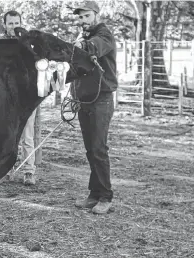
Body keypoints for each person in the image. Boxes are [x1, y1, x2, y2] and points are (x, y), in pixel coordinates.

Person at [71, 1, 117, 214]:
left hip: (102, 100)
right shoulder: (83, 38)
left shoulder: (103, 35)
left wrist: (77, 46)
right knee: (91, 150)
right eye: (80, 17)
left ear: (96, 15)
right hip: (85, 100)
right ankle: (94, 193)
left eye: (87, 16)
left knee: (98, 149)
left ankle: (106, 197)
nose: (83, 21)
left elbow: (95, 47)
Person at [0, 10, 38, 186]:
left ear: (21, 22)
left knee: (27, 135)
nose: (14, 26)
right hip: (6, 97)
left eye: (16, 22)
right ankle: (5, 170)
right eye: (10, 23)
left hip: (26, 96)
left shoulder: (30, 43)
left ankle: (29, 171)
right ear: (5, 25)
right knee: (7, 136)